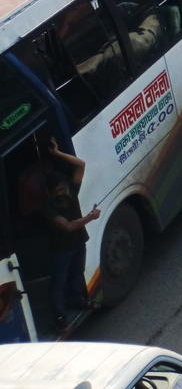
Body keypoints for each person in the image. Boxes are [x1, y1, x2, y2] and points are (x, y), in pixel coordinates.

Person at [39, 136, 97, 334]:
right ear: (51, 193)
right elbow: (67, 226)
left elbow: (81, 164)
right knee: (58, 284)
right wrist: (90, 218)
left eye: (62, 189)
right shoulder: (48, 209)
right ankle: (60, 319)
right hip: (61, 250)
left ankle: (77, 300)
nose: (60, 193)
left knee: (77, 273)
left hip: (78, 243)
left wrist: (56, 153)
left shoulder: (71, 190)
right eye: (56, 191)